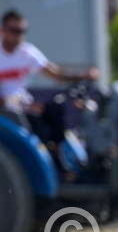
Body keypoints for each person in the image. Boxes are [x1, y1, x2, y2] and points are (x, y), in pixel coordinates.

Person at [0, 9, 98, 147]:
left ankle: (57, 154)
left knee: (54, 112)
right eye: (15, 31)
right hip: (6, 111)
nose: (19, 35)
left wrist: (83, 75)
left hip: (21, 105)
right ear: (3, 31)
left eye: (23, 31)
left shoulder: (27, 52)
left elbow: (55, 74)